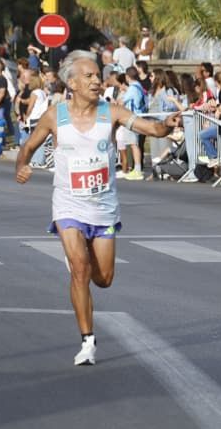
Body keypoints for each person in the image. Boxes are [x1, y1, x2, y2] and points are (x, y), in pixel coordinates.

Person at [15, 51, 181, 366]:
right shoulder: (55, 115)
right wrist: (21, 166)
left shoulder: (112, 112)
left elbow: (150, 129)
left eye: (97, 76)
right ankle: (87, 341)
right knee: (79, 269)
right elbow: (29, 145)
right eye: (89, 76)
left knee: (103, 278)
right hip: (68, 203)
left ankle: (84, 262)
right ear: (72, 82)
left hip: (103, 206)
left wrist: (166, 126)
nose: (96, 81)